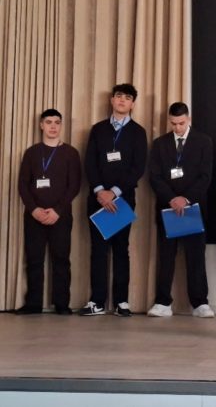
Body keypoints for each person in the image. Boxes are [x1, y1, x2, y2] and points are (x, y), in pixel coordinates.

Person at [79, 83, 148, 317]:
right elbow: (90, 162)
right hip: (97, 200)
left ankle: (121, 302)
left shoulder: (138, 132)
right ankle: (97, 301)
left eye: (127, 97)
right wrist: (100, 191)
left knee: (121, 249)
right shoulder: (98, 129)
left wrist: (114, 192)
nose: (122, 100)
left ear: (132, 104)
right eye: (118, 96)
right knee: (98, 250)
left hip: (122, 200)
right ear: (111, 100)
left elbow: (138, 167)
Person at [146, 102, 214, 318]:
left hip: (194, 208)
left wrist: (185, 199)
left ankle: (200, 303)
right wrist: (172, 199)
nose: (177, 127)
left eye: (181, 123)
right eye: (173, 123)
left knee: (196, 257)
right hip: (168, 209)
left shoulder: (204, 142)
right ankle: (162, 302)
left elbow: (206, 176)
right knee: (166, 257)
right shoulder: (160, 144)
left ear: (189, 119)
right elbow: (155, 176)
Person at [16, 109, 82, 315]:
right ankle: (33, 303)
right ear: (41, 125)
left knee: (61, 259)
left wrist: (58, 210)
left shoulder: (71, 153)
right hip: (34, 216)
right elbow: (23, 185)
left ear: (61, 126)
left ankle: (62, 303)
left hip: (60, 216)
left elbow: (74, 186)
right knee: (34, 260)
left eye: (57, 122)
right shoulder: (32, 153)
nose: (53, 126)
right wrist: (34, 209)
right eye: (49, 122)